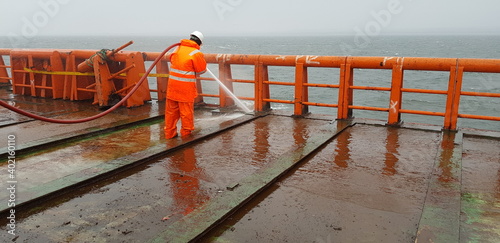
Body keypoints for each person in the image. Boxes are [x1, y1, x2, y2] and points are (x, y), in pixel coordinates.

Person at [164, 31, 207, 139]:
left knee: (171, 113)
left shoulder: (178, 48)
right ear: (199, 43)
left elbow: (172, 60)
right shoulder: (196, 53)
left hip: (172, 87)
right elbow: (201, 70)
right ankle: (186, 137)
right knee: (186, 113)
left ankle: (169, 135)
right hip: (185, 89)